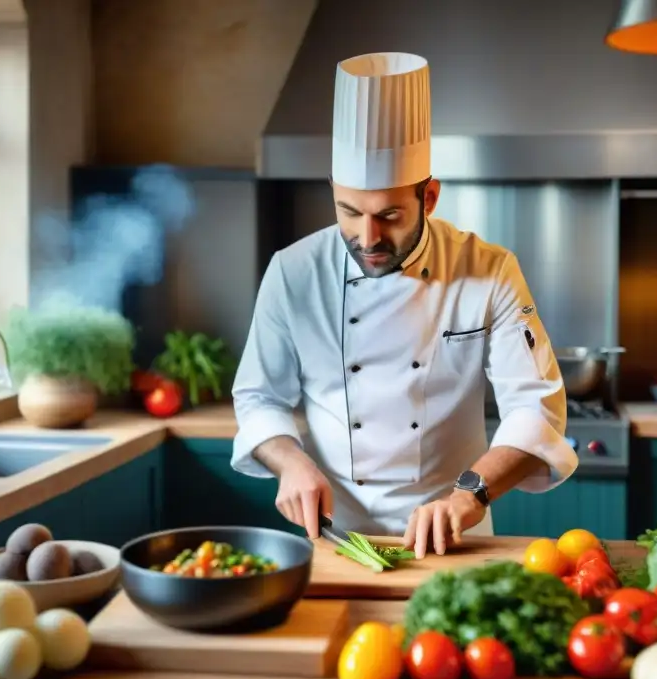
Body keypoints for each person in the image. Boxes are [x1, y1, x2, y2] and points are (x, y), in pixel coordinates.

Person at [231, 52, 578, 557]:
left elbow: (536, 410)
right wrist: (291, 462)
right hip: (333, 538)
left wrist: (471, 495)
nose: (366, 237)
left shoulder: (488, 269)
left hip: (453, 536)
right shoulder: (293, 271)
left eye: (389, 214)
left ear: (430, 196)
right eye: (349, 211)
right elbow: (260, 398)